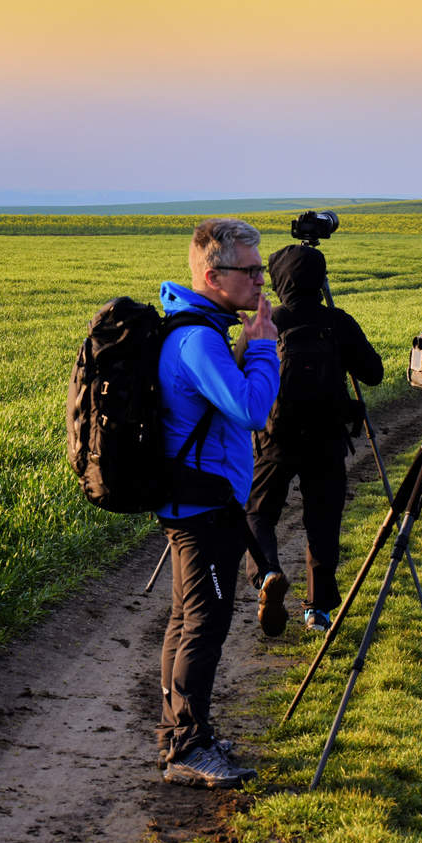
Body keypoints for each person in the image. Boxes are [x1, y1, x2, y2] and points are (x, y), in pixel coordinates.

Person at [155, 218, 280, 789]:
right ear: (213, 275)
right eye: (250, 270)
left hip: (197, 501)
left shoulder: (198, 327)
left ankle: (184, 733)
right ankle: (186, 748)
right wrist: (264, 350)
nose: (261, 279)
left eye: (261, 268)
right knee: (204, 624)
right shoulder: (199, 338)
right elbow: (253, 410)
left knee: (187, 620)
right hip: (204, 507)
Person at [243, 244, 382, 634]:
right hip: (328, 438)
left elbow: (238, 377)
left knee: (257, 512)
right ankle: (318, 611)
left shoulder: (270, 320)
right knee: (322, 522)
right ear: (320, 280)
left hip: (276, 437)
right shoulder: (337, 321)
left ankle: (268, 573)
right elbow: (373, 373)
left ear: (279, 279)